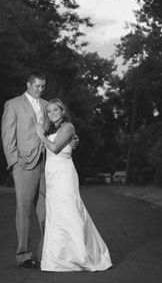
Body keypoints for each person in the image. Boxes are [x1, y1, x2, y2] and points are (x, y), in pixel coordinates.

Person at [36, 99, 112, 271]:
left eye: (56, 110)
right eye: (49, 111)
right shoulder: (51, 129)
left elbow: (55, 148)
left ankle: (79, 256)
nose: (52, 113)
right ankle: (58, 256)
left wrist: (40, 136)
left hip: (64, 174)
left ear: (62, 111)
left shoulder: (68, 127)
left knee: (69, 210)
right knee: (56, 213)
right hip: (51, 175)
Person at [0, 72, 48, 268]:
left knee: (47, 209)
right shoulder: (13, 104)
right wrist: (14, 162)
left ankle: (47, 252)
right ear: (28, 84)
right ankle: (24, 255)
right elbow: (7, 135)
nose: (41, 90)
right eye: (37, 86)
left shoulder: (47, 105)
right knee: (24, 209)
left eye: (43, 87)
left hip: (48, 163)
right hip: (24, 164)